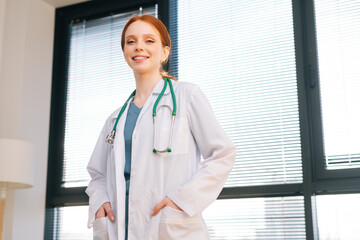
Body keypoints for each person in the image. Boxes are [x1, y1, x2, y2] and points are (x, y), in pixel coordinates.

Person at [85, 14, 236, 240]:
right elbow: (98, 174)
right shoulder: (115, 118)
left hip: (170, 228)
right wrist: (100, 203)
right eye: (131, 41)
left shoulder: (187, 96)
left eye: (149, 40)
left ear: (165, 51)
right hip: (119, 230)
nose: (139, 47)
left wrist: (182, 200)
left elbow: (222, 154)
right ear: (125, 51)